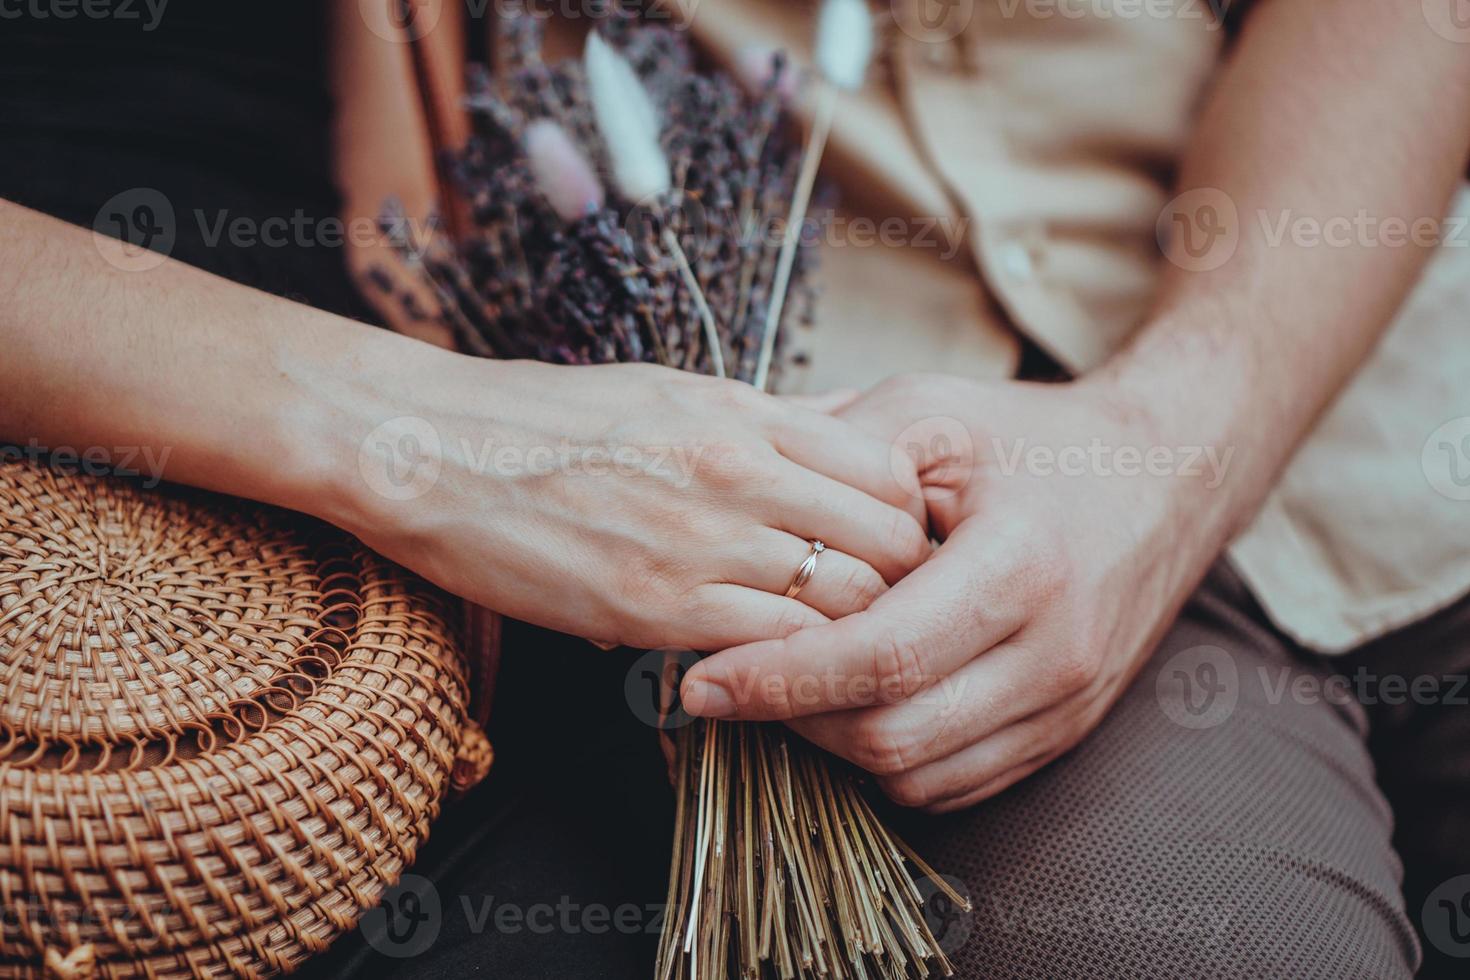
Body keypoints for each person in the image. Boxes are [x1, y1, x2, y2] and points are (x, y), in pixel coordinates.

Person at [3, 3, 1468, 980]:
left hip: (1372, 360)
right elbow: (398, 151)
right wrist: (446, 432)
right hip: (848, 478)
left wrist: (1173, 438)